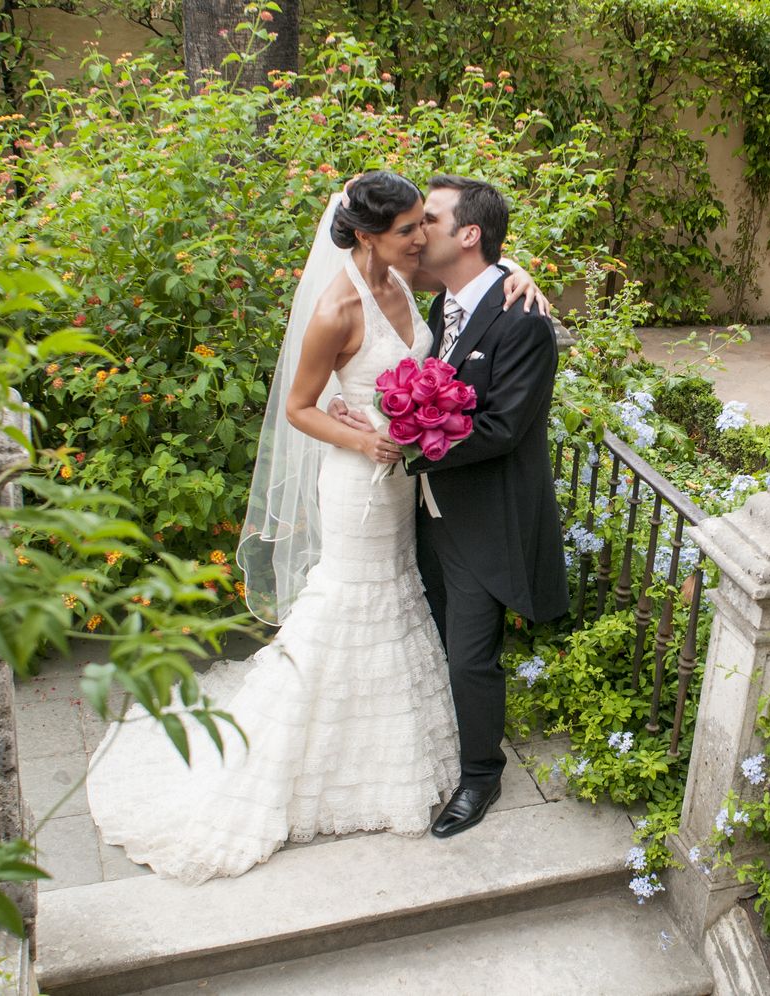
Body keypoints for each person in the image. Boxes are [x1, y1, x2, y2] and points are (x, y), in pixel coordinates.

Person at [84, 172, 546, 884]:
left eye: (428, 223)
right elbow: (302, 406)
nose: (421, 237)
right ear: (370, 235)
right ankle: (300, 756)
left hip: (409, 485)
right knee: (348, 607)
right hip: (362, 479)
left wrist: (520, 272)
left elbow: (480, 277)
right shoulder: (339, 304)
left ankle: (418, 752)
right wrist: (367, 440)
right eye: (408, 228)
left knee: (400, 606)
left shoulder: (410, 281)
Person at [337, 175, 569, 838]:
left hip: (478, 517)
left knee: (470, 653)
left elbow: (501, 428)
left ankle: (480, 776)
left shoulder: (525, 320)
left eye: (429, 218)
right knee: (420, 629)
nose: (416, 229)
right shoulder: (435, 300)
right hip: (413, 508)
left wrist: (404, 445)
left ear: (468, 234)